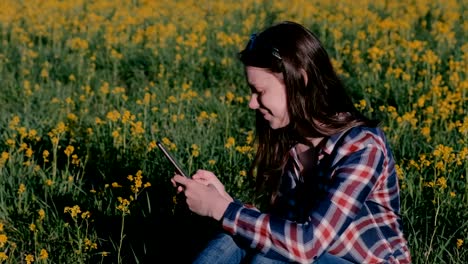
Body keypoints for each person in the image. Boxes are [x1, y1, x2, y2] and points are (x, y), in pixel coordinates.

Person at [171, 21, 411, 264]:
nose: (252, 103)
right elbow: (282, 232)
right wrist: (225, 201)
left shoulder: (362, 146)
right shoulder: (292, 142)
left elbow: (307, 245)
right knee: (232, 237)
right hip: (312, 255)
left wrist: (220, 209)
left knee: (265, 258)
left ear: (301, 81)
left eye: (260, 91)